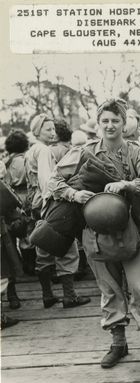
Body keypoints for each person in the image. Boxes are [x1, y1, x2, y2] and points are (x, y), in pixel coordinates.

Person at [48, 98, 140, 370]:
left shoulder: (137, 151)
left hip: (132, 232)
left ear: (124, 124)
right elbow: (54, 181)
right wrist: (74, 193)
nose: (110, 125)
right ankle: (118, 343)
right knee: (109, 289)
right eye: (105, 121)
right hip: (96, 234)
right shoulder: (84, 152)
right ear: (98, 124)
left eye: (116, 120)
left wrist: (127, 183)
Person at [25, 113, 90, 309]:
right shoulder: (44, 151)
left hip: (36, 204)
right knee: (67, 249)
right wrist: (58, 201)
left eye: (53, 129)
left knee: (43, 248)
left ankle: (47, 295)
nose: (53, 133)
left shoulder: (31, 150)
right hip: (50, 203)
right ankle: (69, 296)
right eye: (48, 129)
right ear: (37, 131)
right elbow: (48, 181)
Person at [3, 130, 30, 308]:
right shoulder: (23, 160)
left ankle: (12, 295)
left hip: (5, 203)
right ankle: (28, 267)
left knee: (8, 249)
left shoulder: (6, 161)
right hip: (17, 200)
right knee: (24, 237)